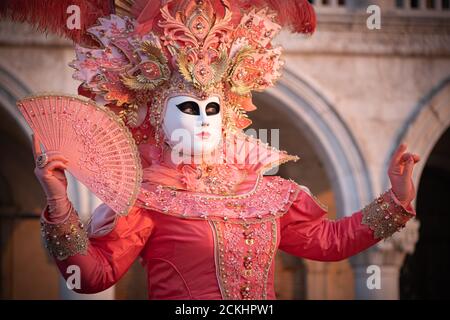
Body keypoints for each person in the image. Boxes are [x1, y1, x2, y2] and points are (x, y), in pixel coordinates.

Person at [12, 0, 421, 299]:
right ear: (155, 116)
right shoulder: (147, 199)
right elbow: (93, 278)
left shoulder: (266, 194)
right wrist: (58, 202)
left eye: (212, 108)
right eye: (189, 108)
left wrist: (395, 201)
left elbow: (330, 242)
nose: (204, 118)